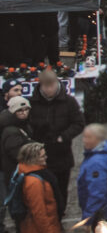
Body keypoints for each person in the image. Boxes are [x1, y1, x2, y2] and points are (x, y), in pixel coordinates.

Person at [28, 68, 85, 206]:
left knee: (60, 189)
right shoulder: (33, 103)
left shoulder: (69, 102)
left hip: (61, 153)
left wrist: (64, 136)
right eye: (45, 86)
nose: (49, 90)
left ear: (57, 83)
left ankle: (60, 213)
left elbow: (79, 123)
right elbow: (28, 125)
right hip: (40, 154)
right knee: (42, 189)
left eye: (51, 86)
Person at [0, 95, 32, 233]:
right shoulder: (11, 131)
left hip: (18, 173)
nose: (24, 113)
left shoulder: (21, 125)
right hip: (15, 175)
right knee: (19, 209)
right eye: (20, 110)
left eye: (26, 109)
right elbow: (18, 154)